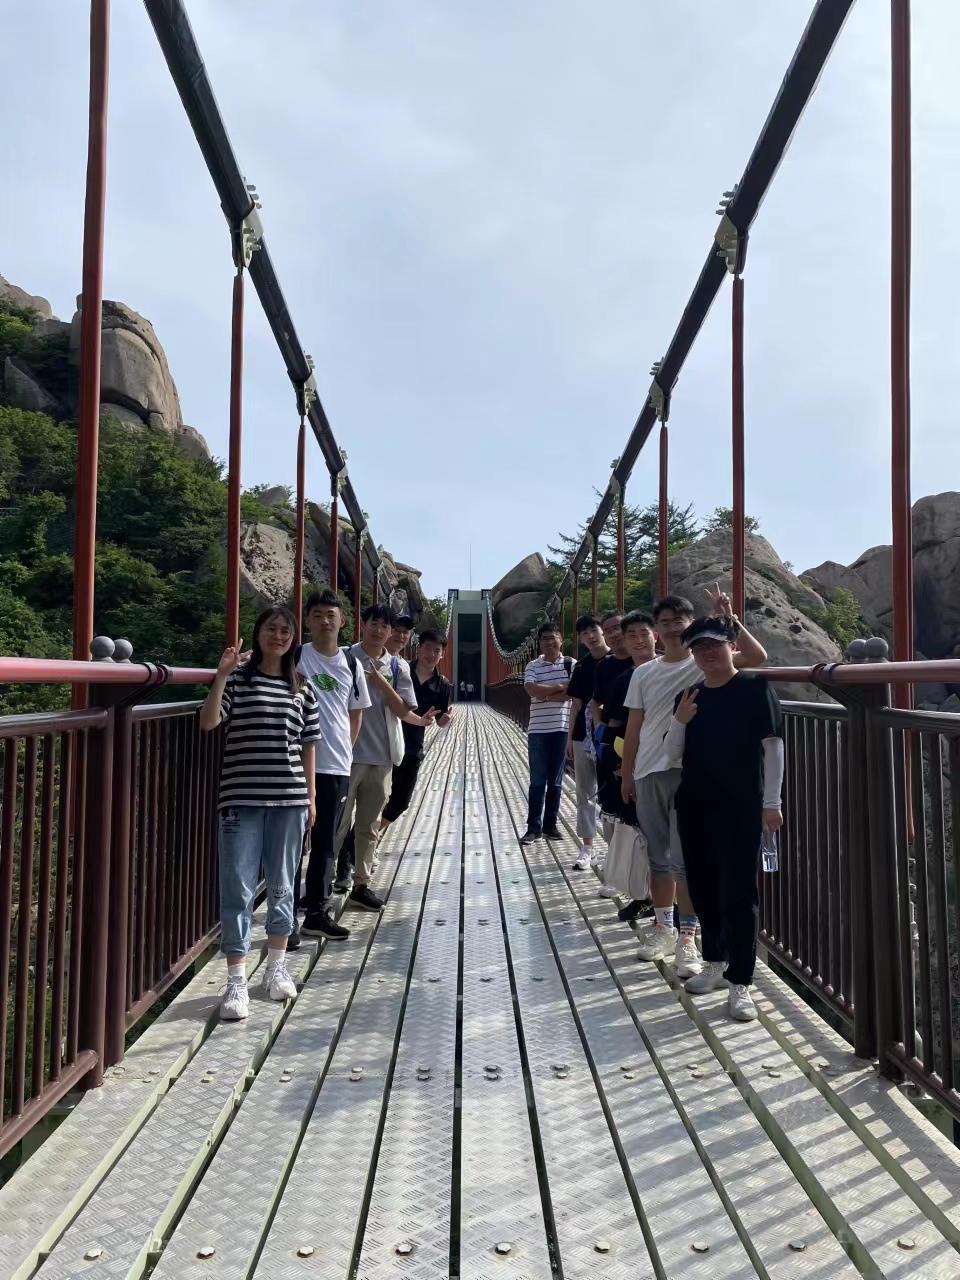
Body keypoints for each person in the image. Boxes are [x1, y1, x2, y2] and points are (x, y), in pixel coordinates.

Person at [621, 589, 767, 978]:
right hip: (649, 770)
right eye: (664, 623)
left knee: (686, 860)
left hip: (691, 772)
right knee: (658, 856)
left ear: (690, 625)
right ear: (657, 629)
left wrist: (731, 618)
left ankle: (688, 937)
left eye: (678, 622)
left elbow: (756, 658)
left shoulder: (703, 660)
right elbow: (634, 726)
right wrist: (627, 772)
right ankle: (663, 927)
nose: (672, 629)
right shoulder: (642, 673)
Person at [200, 606, 320, 1021]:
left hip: (290, 799)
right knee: (237, 888)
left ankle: (275, 967)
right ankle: (236, 979)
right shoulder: (238, 679)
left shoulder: (302, 686)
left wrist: (312, 799)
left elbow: (308, 745)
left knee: (284, 885)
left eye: (286, 630)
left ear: (293, 639)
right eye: (271, 628)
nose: (279, 635)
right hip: (241, 797)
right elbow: (209, 723)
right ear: (258, 633)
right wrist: (221, 675)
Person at [664, 615, 784, 1021]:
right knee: (702, 885)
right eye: (699, 647)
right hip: (694, 802)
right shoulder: (689, 694)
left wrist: (772, 802)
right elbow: (671, 755)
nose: (707, 653)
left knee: (739, 892)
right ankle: (714, 961)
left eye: (714, 644)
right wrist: (679, 722)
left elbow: (773, 746)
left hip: (742, 804)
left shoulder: (754, 688)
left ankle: (741, 981)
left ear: (732, 646)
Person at [337, 604, 436, 911]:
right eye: (374, 623)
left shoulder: (397, 667)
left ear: (390, 632)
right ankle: (324, 883)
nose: (378, 630)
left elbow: (405, 709)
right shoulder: (343, 657)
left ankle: (361, 884)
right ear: (362, 624)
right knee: (338, 824)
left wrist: (382, 684)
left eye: (385, 626)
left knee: (368, 825)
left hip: (381, 756)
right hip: (344, 755)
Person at [295, 589, 371, 941]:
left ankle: (316, 912)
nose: (325, 621)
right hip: (294, 761)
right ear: (308, 621)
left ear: (342, 621)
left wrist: (343, 750)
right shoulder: (296, 656)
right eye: (317, 615)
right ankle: (288, 912)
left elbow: (355, 715)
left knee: (325, 842)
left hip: (336, 766)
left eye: (331, 615)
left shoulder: (352, 665)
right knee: (291, 842)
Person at [593, 611, 657, 905]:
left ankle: (666, 905)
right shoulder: (624, 679)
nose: (637, 640)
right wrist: (618, 766)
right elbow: (616, 724)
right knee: (636, 826)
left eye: (644, 633)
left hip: (672, 764)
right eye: (632, 635)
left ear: (655, 635)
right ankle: (640, 891)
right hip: (635, 763)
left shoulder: (679, 669)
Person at [381, 628, 454, 830]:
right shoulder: (399, 671)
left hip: (413, 747)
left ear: (442, 655)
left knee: (401, 802)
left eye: (437, 650)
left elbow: (439, 721)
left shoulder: (443, 685)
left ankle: (362, 837)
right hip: (386, 740)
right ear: (418, 648)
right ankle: (359, 843)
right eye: (427, 648)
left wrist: (445, 720)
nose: (431, 654)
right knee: (376, 796)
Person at [520, 622, 574, 845]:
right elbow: (531, 689)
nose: (549, 642)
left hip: (562, 730)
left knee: (556, 782)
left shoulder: (571, 664)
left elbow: (572, 694)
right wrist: (560, 686)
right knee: (537, 781)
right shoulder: (532, 665)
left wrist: (545, 694)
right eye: (544, 639)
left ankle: (550, 826)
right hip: (538, 731)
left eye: (553, 637)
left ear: (561, 639)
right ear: (539, 643)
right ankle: (534, 828)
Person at [565, 614, 609, 870]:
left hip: (609, 737)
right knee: (584, 792)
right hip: (582, 735)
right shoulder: (581, 667)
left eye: (594, 630)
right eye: (584, 633)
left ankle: (614, 849)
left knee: (610, 793)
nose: (590, 636)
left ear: (602, 631)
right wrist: (569, 738)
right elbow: (575, 705)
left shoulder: (619, 660)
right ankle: (588, 846)